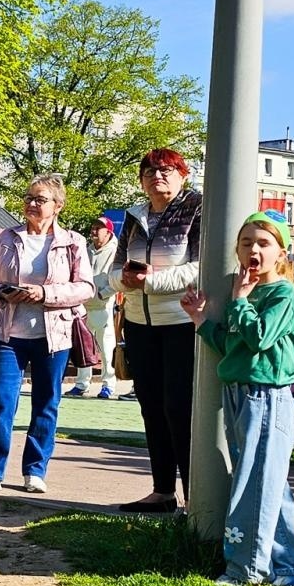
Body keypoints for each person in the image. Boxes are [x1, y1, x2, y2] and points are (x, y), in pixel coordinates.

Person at [182, 212, 294, 586]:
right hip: (240, 394)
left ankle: (247, 569)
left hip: (266, 398)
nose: (254, 250)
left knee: (255, 484)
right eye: (246, 243)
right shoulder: (248, 295)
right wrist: (202, 322)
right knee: (268, 483)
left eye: (264, 243)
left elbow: (259, 337)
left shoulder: (281, 293)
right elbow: (234, 347)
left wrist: (240, 301)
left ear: (282, 252)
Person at [0, 174, 95, 495]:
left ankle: (35, 470)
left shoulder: (73, 242)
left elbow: (85, 287)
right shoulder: (5, 238)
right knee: (0, 401)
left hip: (54, 336)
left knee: (46, 402)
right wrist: (2, 291)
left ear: (58, 206)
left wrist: (43, 294)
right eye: (29, 197)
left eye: (40, 199)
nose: (31, 204)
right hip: (6, 334)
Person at [111, 148, 201, 512]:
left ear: (183, 174)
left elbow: (200, 266)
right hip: (139, 324)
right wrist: (125, 279)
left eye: (166, 169)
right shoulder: (134, 216)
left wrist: (151, 282)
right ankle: (163, 491)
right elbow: (114, 271)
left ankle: (197, 498)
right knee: (151, 407)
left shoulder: (197, 209)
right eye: (148, 170)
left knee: (179, 409)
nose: (156, 175)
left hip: (180, 323)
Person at [68, 216, 119, 398]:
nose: (95, 231)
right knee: (84, 347)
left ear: (109, 232)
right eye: (94, 227)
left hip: (104, 306)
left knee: (106, 349)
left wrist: (102, 294)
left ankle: (108, 384)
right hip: (84, 306)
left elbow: (118, 278)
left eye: (100, 228)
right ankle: (82, 383)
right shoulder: (86, 250)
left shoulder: (116, 251)